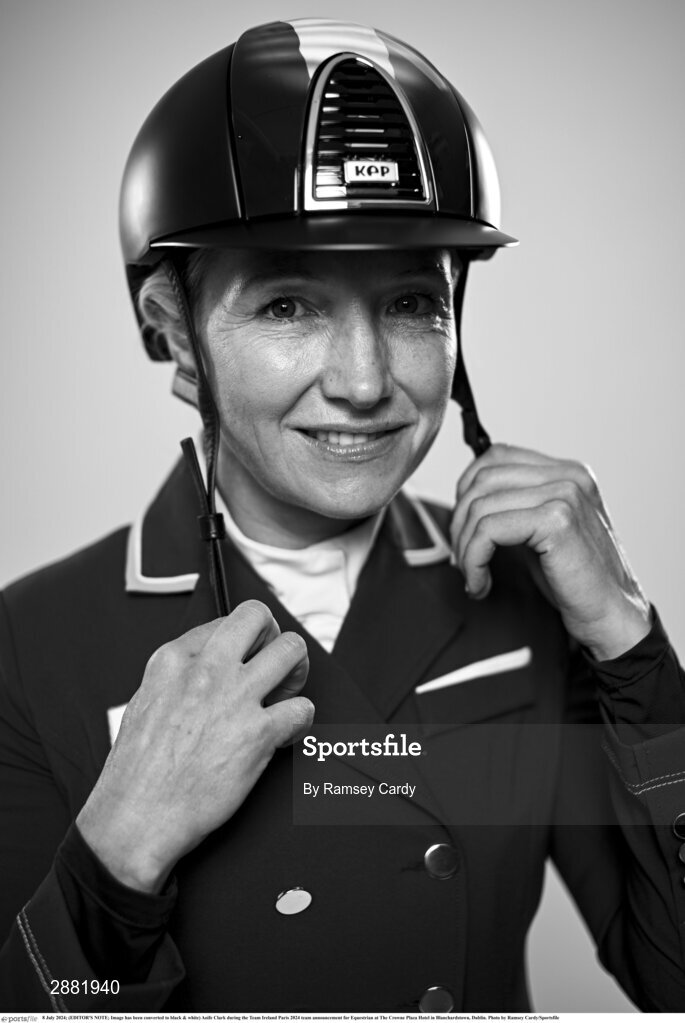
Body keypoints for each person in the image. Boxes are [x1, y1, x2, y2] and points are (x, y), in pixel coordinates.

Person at [1, 16, 684, 1013]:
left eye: (411, 304)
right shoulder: (30, 646)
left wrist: (629, 646)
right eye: (289, 306)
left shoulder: (526, 600)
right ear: (174, 333)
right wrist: (113, 857)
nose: (365, 382)